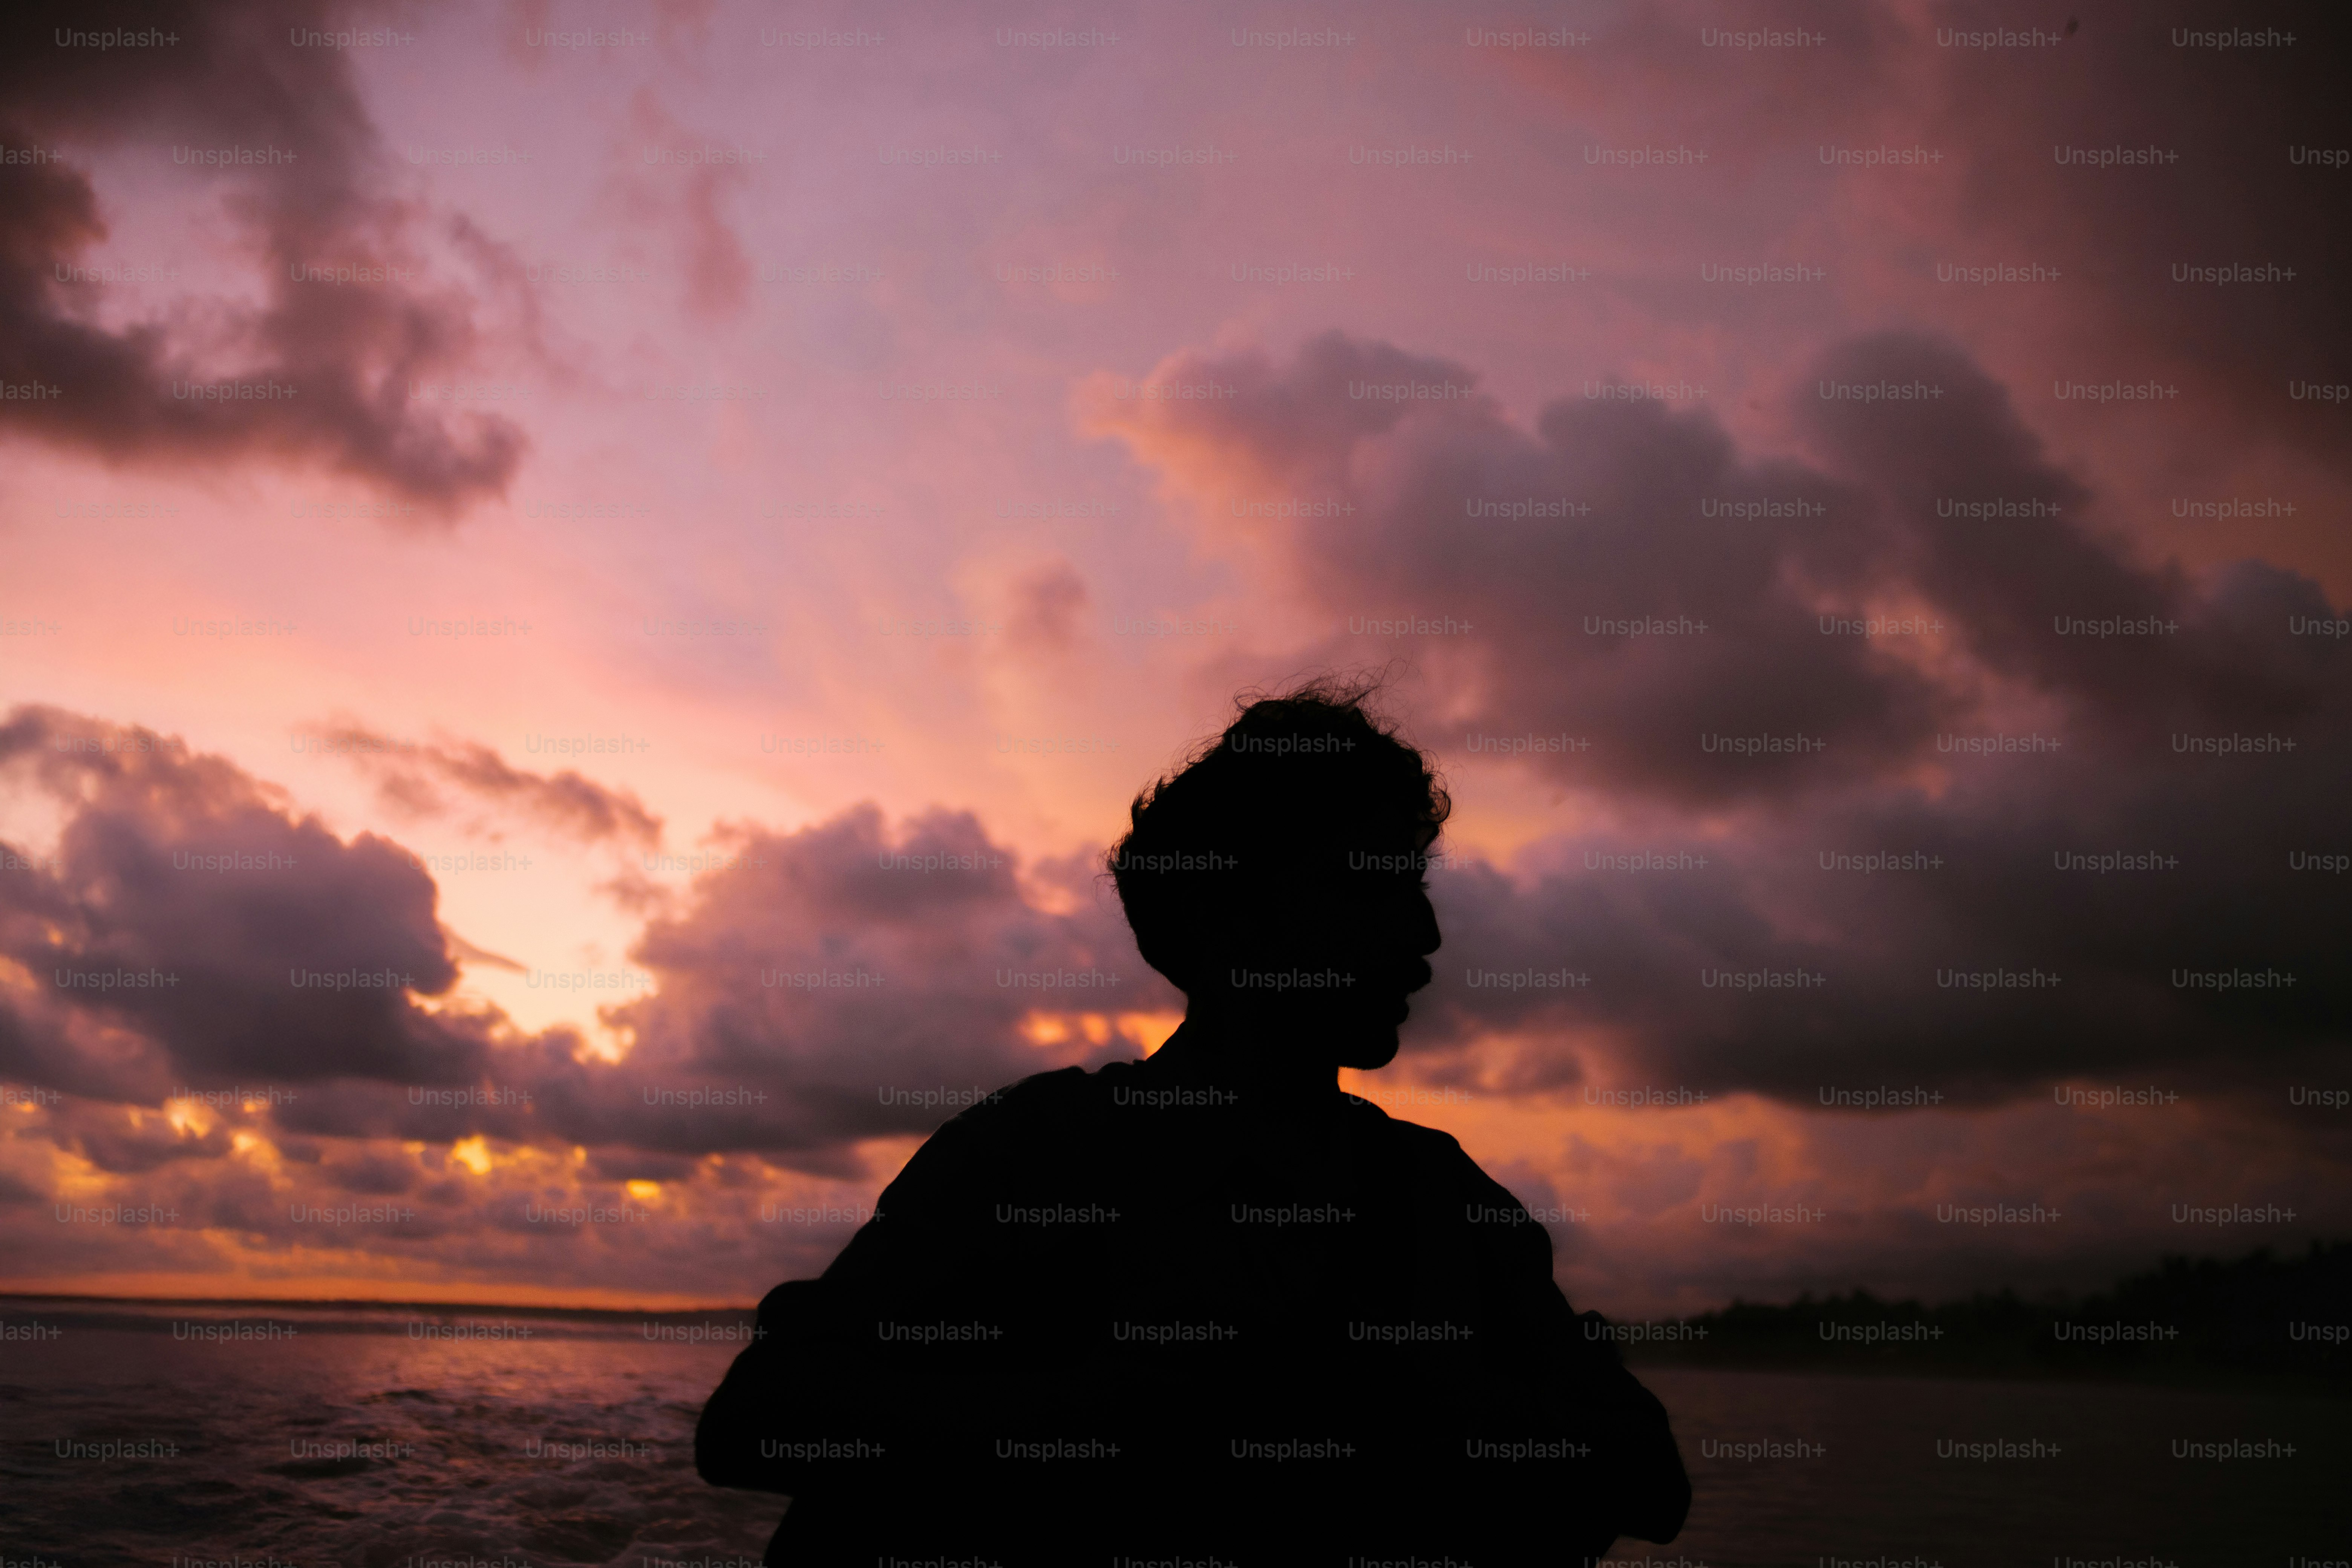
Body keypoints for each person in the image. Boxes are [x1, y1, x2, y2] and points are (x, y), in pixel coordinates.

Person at [698, 678, 1692, 1566]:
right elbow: (756, 1418)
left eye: (1415, 886)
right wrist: (1104, 1406)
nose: (1424, 934)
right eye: (1373, 880)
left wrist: (1410, 1386)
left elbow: (1649, 1481)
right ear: (1234, 912)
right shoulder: (1038, 1149)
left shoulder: (1440, 1199)